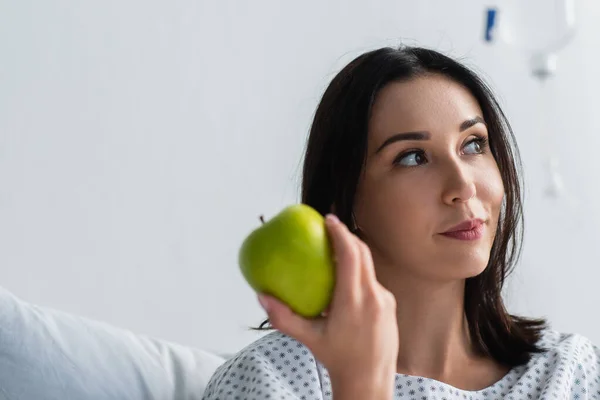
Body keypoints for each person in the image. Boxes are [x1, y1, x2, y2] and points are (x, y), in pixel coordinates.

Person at [201, 45, 600, 400]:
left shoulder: (572, 372)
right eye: (412, 157)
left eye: (474, 145)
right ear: (347, 199)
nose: (462, 185)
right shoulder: (273, 379)